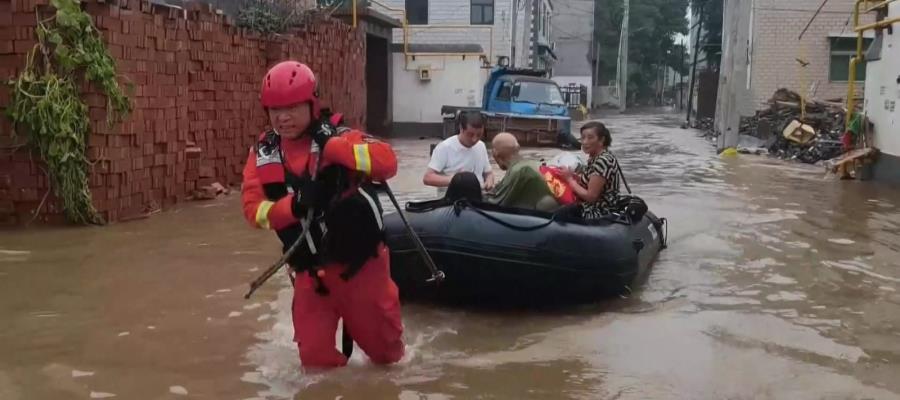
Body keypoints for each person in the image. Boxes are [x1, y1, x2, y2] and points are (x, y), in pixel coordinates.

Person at [241, 61, 404, 368]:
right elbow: (254, 211)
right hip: (310, 276)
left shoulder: (340, 136)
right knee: (315, 363)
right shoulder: (262, 155)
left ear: (311, 103)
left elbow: (387, 163)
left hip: (361, 270)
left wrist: (333, 147)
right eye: (274, 109)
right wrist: (294, 207)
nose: (282, 117)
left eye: (291, 107)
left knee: (388, 362)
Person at [560, 121, 621, 220]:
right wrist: (574, 176)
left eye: (590, 137)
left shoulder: (603, 161)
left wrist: (569, 179)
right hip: (590, 206)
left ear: (601, 140)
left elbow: (591, 197)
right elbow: (590, 180)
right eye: (583, 137)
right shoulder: (596, 158)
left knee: (560, 214)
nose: (584, 142)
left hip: (599, 211)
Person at [485, 132, 560, 212]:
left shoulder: (520, 171)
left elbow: (499, 202)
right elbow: (500, 189)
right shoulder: (531, 164)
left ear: (496, 154)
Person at [423, 111, 494, 195]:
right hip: (453, 200)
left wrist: (489, 181)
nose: (474, 139)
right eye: (470, 135)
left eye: (479, 135)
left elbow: (488, 173)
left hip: (478, 197)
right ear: (461, 128)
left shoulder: (481, 146)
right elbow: (428, 178)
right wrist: (457, 180)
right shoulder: (445, 147)